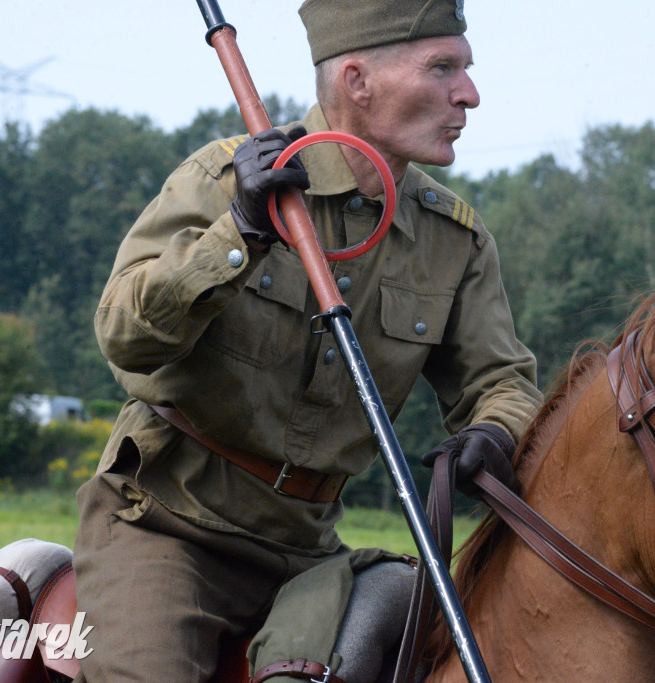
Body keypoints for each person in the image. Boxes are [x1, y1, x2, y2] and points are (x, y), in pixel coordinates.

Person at [73, 1, 541, 681]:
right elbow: (123, 337)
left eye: (464, 69)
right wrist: (240, 228)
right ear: (357, 80)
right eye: (443, 68)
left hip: (309, 554)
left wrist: (497, 431)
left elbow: (501, 383)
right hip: (165, 527)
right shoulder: (223, 181)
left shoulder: (456, 242)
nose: (469, 93)